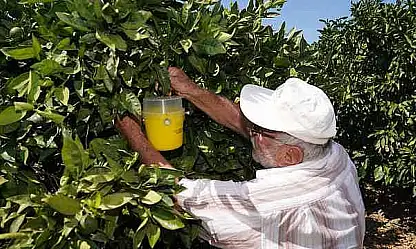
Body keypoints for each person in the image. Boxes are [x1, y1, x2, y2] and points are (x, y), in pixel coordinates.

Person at [116, 67, 366, 249]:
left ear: (290, 155)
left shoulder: (276, 199)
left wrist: (130, 128)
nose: (250, 132)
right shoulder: (334, 154)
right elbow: (240, 121)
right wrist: (190, 90)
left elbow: (182, 196)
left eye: (259, 131)